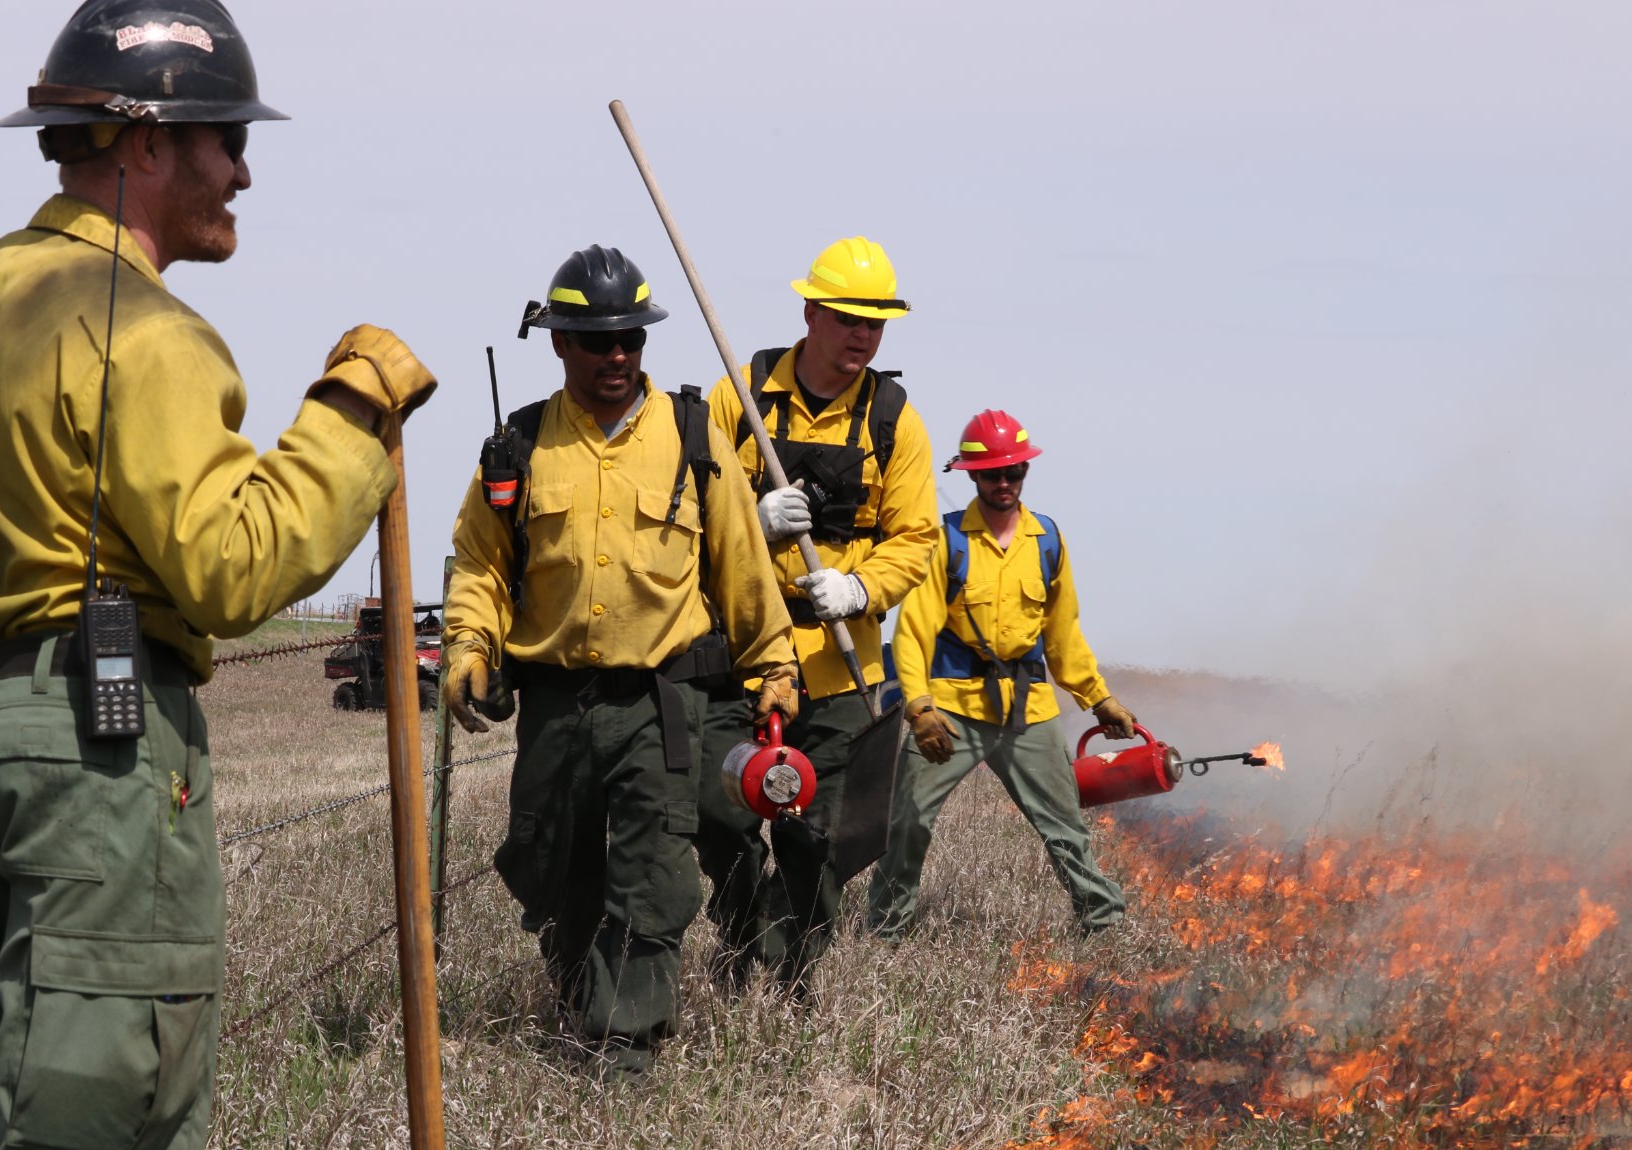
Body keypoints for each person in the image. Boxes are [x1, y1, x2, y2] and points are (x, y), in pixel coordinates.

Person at [0, 3, 436, 1145]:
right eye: (224, 137)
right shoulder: (145, 329)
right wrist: (348, 414)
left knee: (29, 1082)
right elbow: (231, 571)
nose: (241, 170)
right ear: (143, 143)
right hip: (94, 750)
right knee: (110, 1101)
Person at [442, 245, 797, 1076]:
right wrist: (469, 645)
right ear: (558, 341)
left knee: (653, 872)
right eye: (596, 340)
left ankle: (622, 1046)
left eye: (630, 339)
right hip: (557, 703)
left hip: (661, 703)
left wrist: (774, 666)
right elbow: (481, 566)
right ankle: (580, 999)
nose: (617, 356)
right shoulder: (518, 444)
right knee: (551, 862)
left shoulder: (691, 437)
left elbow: (745, 570)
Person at [697, 236, 939, 993]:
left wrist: (861, 589)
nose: (863, 336)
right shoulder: (736, 397)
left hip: (841, 671)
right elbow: (687, 511)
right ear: (810, 312)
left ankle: (788, 974)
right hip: (740, 661)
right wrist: (747, 515)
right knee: (723, 823)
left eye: (877, 323)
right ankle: (739, 945)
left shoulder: (896, 419)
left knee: (820, 838)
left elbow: (917, 537)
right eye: (847, 318)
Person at [866, 410, 1135, 940]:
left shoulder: (1047, 539)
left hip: (1028, 709)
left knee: (1065, 829)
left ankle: (1105, 926)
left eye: (1015, 472)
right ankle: (886, 932)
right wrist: (919, 708)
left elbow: (1063, 634)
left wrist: (1098, 699)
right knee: (909, 823)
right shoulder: (945, 540)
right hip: (950, 710)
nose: (1005, 483)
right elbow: (914, 634)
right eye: (993, 474)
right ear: (972, 475)